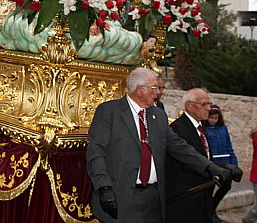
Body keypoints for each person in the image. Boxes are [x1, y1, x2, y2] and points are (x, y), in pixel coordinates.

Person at [86, 68, 232, 223]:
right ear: (140, 89)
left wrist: (209, 167)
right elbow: (96, 153)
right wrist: (104, 187)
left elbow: (179, 146)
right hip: (121, 198)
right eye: (154, 87)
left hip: (154, 201)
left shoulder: (159, 115)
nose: (158, 93)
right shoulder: (110, 112)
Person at [166, 89, 242, 223]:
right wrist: (219, 168)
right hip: (185, 201)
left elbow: (203, 158)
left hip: (202, 198)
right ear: (189, 106)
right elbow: (190, 162)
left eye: (210, 104)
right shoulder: (178, 129)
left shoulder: (200, 127)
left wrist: (227, 166)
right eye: (204, 104)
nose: (209, 108)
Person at [204, 104, 238, 222]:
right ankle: (209, 214)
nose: (213, 120)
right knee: (209, 190)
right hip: (213, 164)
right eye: (211, 118)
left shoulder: (223, 129)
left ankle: (212, 208)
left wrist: (234, 164)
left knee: (226, 186)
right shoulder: (204, 129)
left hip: (225, 162)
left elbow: (229, 147)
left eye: (215, 118)